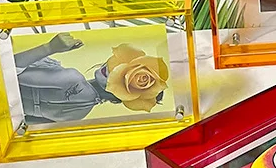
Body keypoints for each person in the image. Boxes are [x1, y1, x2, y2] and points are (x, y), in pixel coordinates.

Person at [13, 33, 169, 123]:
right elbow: (24, 124)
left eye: (120, 73)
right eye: (121, 64)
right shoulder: (80, 114)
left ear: (125, 95)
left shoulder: (72, 79)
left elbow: (9, 74)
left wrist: (50, 48)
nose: (112, 67)